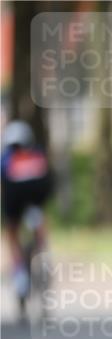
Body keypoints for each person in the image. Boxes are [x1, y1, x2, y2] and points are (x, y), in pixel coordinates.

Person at [1, 119, 54, 302]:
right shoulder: (38, 154)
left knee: (12, 232)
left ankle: (20, 274)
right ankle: (44, 255)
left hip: (14, 201)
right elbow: (48, 180)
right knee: (39, 218)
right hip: (36, 200)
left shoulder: (7, 158)